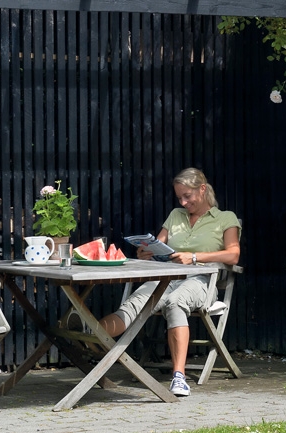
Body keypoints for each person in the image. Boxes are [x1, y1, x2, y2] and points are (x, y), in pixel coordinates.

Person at [98, 167, 240, 397]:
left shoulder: (225, 218)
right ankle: (89, 338)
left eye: (187, 196)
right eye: (179, 197)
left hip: (202, 279)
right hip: (167, 275)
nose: (183, 202)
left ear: (202, 189)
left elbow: (233, 255)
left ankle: (179, 377)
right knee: (136, 302)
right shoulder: (175, 216)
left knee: (176, 301)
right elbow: (158, 244)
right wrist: (147, 252)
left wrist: (193, 257)